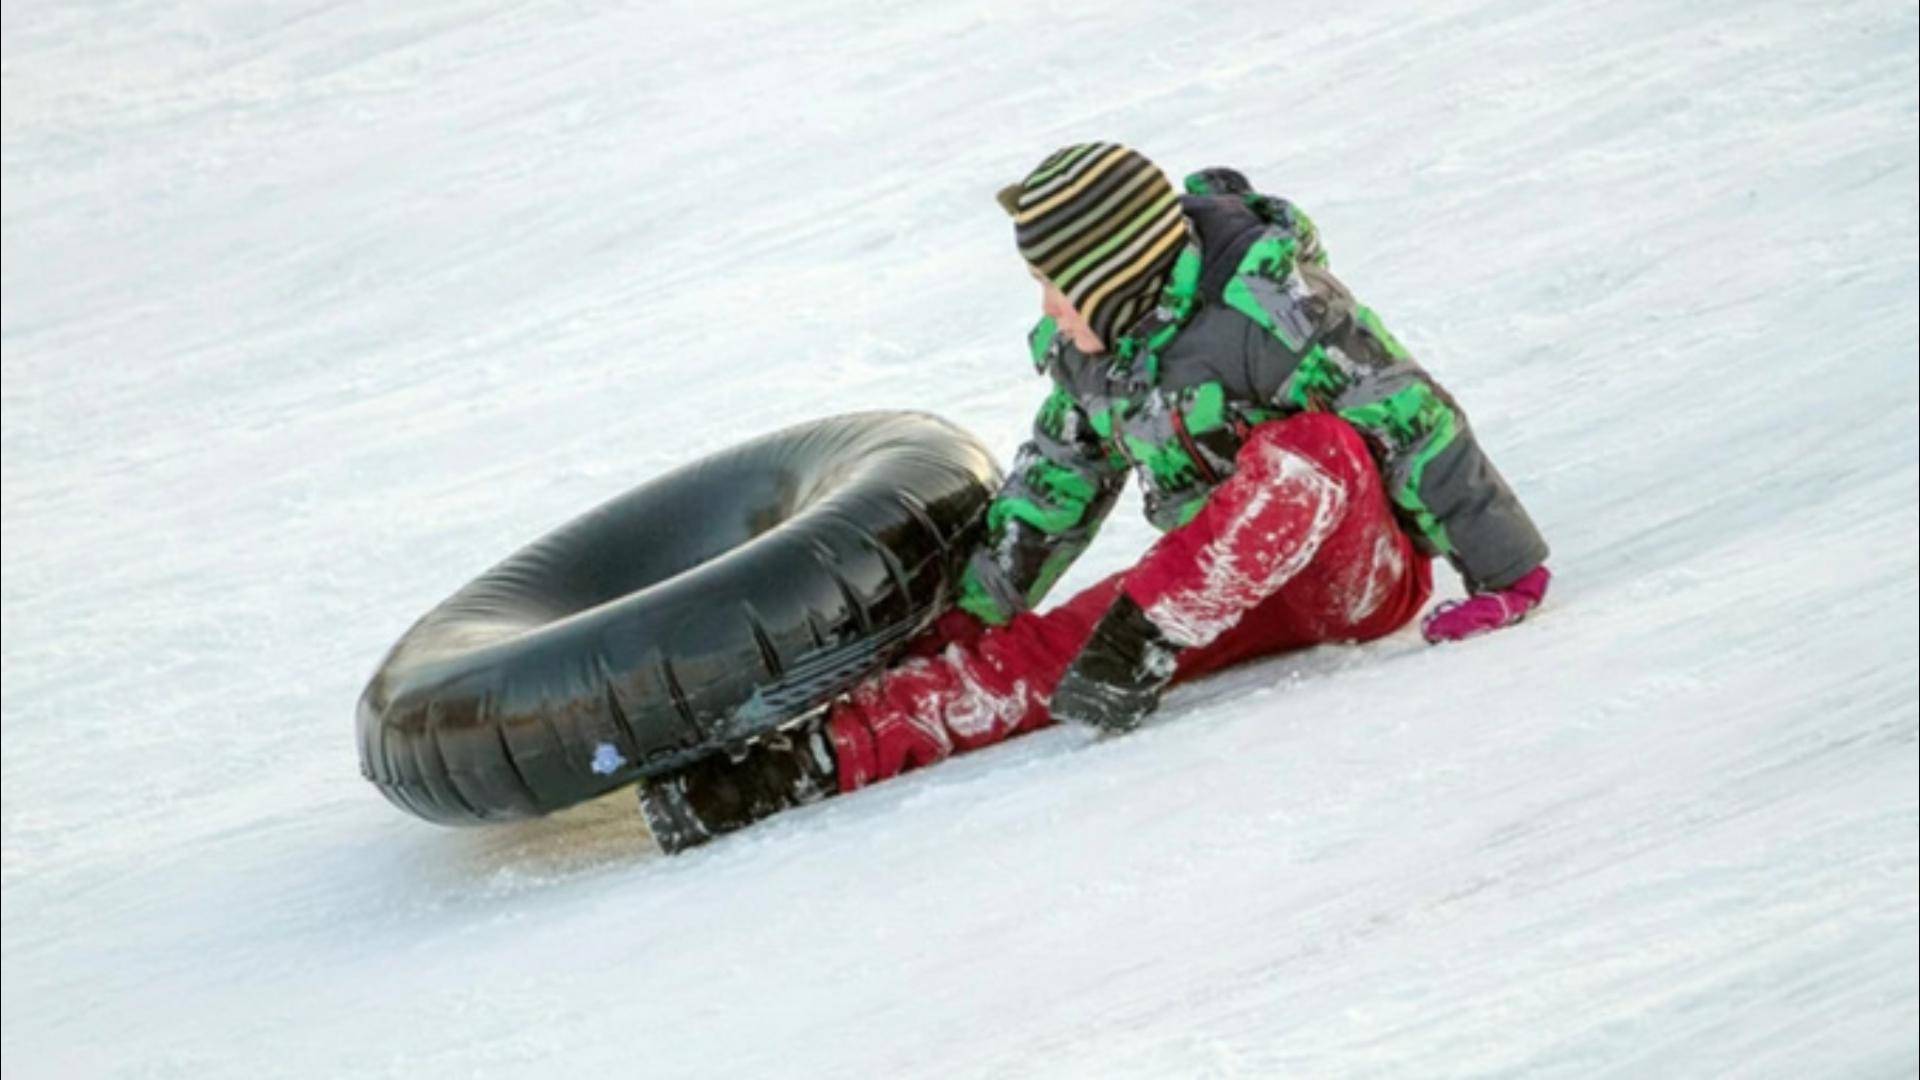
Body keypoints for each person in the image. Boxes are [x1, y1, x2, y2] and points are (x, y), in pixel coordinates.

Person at [638, 143, 1552, 853]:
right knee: (1040, 658)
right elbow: (1052, 492)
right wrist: (963, 622)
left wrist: (1504, 570)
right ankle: (784, 772)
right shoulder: (1095, 360)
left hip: (1353, 572)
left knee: (1310, 449)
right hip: (1207, 592)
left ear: (1113, 272)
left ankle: (1150, 632)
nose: (1045, 305)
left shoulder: (1274, 309)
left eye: (1054, 282)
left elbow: (1409, 414)